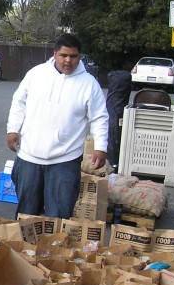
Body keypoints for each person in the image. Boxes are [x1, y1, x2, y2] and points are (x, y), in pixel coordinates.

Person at [6, 33, 108, 219]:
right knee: (26, 215)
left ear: (79, 56)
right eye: (64, 55)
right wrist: (13, 129)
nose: (68, 60)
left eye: (74, 56)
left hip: (65, 160)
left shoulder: (89, 85)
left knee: (59, 216)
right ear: (55, 54)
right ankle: (23, 248)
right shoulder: (36, 74)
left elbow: (99, 117)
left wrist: (100, 147)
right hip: (29, 156)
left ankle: (54, 248)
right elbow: (19, 102)